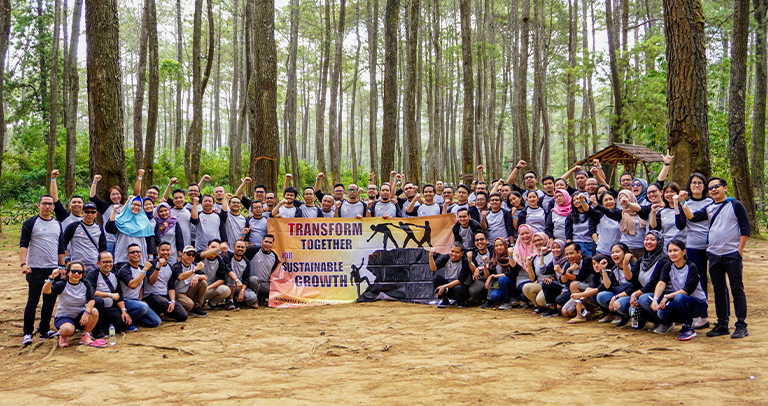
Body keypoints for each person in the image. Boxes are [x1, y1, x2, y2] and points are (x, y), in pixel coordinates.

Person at [680, 177, 750, 339]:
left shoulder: (735, 205)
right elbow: (692, 217)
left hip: (732, 254)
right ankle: (722, 323)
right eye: (711, 187)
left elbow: (745, 228)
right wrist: (683, 202)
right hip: (713, 254)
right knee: (719, 290)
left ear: (725, 188)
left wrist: (739, 250)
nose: (713, 189)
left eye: (717, 186)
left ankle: (741, 324)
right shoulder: (709, 207)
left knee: (736, 288)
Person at [19, 194, 66, 345]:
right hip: (35, 268)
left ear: (53, 206)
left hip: (53, 269)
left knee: (50, 301)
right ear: (38, 205)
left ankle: (44, 330)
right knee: (33, 300)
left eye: (50, 204)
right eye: (44, 203)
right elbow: (23, 244)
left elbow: (60, 247)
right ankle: (27, 333)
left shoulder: (57, 224)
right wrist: (23, 264)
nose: (47, 206)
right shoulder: (30, 223)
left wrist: (62, 267)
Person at [650, 239, 708, 341]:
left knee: (679, 297)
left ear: (684, 252)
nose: (672, 254)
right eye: (670, 251)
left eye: (675, 250)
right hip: (680, 302)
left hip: (698, 304)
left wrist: (666, 297)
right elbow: (661, 283)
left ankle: (688, 327)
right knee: (662, 312)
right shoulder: (668, 266)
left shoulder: (691, 267)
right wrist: (655, 299)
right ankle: (679, 323)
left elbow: (687, 290)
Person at [44, 262, 107, 348]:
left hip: (80, 316)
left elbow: (91, 300)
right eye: (73, 271)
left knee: (94, 311)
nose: (76, 274)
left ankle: (86, 335)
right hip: (64, 316)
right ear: (68, 273)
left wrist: (86, 313)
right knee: (68, 329)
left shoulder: (85, 284)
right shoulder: (62, 284)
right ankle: (63, 336)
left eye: (79, 272)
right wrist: (51, 278)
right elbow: (46, 291)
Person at [680, 172, 713, 310]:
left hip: (712, 246)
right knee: (699, 279)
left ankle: (723, 317)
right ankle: (702, 313)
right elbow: (681, 224)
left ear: (704, 186)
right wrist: (679, 204)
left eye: (700, 183)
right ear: (689, 186)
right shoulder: (685, 203)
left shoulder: (712, 202)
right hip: (693, 245)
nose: (697, 185)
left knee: (718, 279)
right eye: (694, 182)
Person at [628, 231, 670, 333]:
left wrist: (635, 294)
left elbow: (653, 284)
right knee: (630, 308)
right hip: (647, 293)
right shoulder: (642, 260)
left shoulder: (663, 260)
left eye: (652, 239)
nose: (648, 242)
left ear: (659, 242)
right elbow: (632, 279)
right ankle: (656, 321)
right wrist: (625, 263)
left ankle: (666, 322)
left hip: (662, 294)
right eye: (646, 239)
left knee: (643, 299)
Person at [85, 252, 133, 334]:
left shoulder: (114, 275)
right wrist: (109, 295)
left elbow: (119, 295)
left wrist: (123, 311)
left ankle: (103, 326)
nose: (108, 264)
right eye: (105, 262)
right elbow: (91, 292)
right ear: (98, 263)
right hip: (95, 309)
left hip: (110, 308)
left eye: (110, 262)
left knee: (123, 324)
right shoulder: (92, 275)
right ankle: (96, 330)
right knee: (98, 300)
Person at [116, 243, 162, 328]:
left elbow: (143, 285)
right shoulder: (125, 270)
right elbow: (133, 285)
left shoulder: (140, 268)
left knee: (156, 322)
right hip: (125, 301)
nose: (135, 254)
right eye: (132, 252)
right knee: (143, 307)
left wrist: (141, 299)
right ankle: (127, 324)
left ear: (141, 254)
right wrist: (145, 270)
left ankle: (133, 320)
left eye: (138, 252)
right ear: (128, 255)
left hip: (136, 301)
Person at [594, 243, 639, 327]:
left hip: (632, 295)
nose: (614, 254)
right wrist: (603, 269)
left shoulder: (633, 265)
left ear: (626, 253)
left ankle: (626, 315)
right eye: (612, 252)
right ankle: (618, 314)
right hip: (622, 293)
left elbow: (635, 287)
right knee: (601, 296)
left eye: (617, 252)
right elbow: (608, 286)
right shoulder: (615, 268)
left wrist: (615, 297)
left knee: (618, 303)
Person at [143, 242, 191, 321]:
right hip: (152, 296)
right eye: (163, 250)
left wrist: (172, 301)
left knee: (183, 316)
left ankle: (166, 312)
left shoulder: (171, 267)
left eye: (168, 250)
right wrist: (158, 267)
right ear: (158, 252)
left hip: (165, 296)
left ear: (171, 252)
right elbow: (152, 281)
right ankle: (154, 314)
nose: (165, 252)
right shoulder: (151, 264)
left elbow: (171, 287)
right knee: (163, 302)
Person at [105, 196, 157, 268]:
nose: (136, 207)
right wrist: (113, 212)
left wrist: (151, 256)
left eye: (139, 205)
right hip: (122, 256)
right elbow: (110, 229)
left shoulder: (145, 221)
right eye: (134, 204)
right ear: (129, 205)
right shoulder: (120, 219)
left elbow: (150, 239)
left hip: (139, 258)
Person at [63, 201, 107, 273]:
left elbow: (103, 248)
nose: (90, 214)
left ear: (96, 214)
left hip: (94, 263)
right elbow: (63, 243)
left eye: (92, 212)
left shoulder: (99, 228)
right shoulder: (73, 227)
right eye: (87, 212)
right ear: (82, 213)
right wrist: (66, 260)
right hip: (77, 264)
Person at [89, 175, 127, 255]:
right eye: (113, 194)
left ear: (121, 195)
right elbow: (92, 198)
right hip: (109, 242)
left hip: (123, 242)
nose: (116, 196)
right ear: (109, 197)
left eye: (118, 194)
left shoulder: (127, 208)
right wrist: (95, 182)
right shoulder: (106, 207)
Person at [481, 237, 520, 310]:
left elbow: (509, 273)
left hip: (512, 284)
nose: (499, 247)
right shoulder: (494, 258)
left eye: (501, 245)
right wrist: (485, 264)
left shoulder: (511, 256)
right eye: (496, 246)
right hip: (500, 286)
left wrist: (492, 276)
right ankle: (507, 298)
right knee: (494, 296)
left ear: (505, 245)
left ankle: (507, 302)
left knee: (502, 279)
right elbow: (488, 275)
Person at [429, 243, 471, 308]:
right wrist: (431, 256)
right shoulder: (446, 258)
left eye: (457, 252)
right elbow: (433, 268)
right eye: (452, 251)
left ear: (462, 253)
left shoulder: (465, 261)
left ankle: (461, 302)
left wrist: (445, 286)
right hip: (449, 288)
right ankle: (444, 300)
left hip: (461, 288)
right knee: (437, 278)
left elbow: (460, 280)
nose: (454, 254)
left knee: (458, 288)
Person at [171, 245, 209, 317]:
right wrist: (194, 270)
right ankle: (177, 309)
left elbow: (205, 277)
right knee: (189, 304)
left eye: (193, 255)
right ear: (182, 255)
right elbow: (180, 277)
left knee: (203, 282)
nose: (191, 257)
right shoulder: (177, 266)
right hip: (178, 293)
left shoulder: (193, 265)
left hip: (188, 291)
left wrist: (197, 276)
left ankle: (197, 307)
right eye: (188, 254)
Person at [649, 182, 687, 254]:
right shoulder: (661, 211)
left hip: (681, 245)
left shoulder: (684, 209)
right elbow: (654, 229)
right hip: (666, 247)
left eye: (672, 192)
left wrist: (676, 206)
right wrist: (653, 213)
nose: (669, 194)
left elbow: (681, 226)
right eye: (667, 192)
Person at [222, 240, 260, 309]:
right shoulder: (228, 257)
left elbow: (245, 279)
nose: (240, 249)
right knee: (231, 278)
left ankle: (240, 299)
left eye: (242, 247)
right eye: (238, 247)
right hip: (228, 285)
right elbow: (228, 270)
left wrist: (242, 291)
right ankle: (230, 301)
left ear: (245, 249)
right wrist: (237, 280)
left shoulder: (246, 262)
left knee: (252, 297)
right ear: (233, 248)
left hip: (240, 287)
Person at [522, 232, 554, 314]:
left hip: (551, 283)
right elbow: (532, 279)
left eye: (539, 240)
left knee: (540, 299)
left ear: (545, 240)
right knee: (526, 287)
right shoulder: (536, 257)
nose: (537, 243)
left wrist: (552, 278)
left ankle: (553, 306)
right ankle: (539, 306)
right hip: (540, 283)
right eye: (535, 241)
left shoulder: (553, 254)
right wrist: (529, 265)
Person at [245, 235, 281, 308]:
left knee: (278, 291)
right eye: (266, 242)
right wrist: (242, 236)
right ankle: (255, 300)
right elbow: (240, 250)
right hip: (254, 283)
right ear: (262, 242)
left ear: (273, 245)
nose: (267, 244)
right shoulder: (253, 250)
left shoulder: (274, 256)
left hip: (266, 284)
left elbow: (273, 270)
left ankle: (263, 297)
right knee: (253, 279)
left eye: (270, 243)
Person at [196, 240, 232, 309]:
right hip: (196, 289)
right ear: (207, 248)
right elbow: (203, 255)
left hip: (209, 289)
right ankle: (197, 303)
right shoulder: (201, 255)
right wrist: (218, 248)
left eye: (217, 249)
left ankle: (213, 303)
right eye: (212, 247)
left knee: (226, 290)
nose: (214, 250)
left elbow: (221, 280)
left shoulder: (219, 260)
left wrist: (208, 288)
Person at [586, 192, 621, 256]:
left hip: (618, 252)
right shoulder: (599, 214)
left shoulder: (620, 213)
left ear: (615, 200)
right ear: (602, 203)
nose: (609, 202)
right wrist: (582, 201)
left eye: (610, 199)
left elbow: (610, 213)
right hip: (602, 251)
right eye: (606, 200)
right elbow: (588, 210)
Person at [539, 239, 567, 317]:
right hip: (560, 286)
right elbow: (543, 272)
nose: (555, 250)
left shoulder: (567, 260)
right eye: (553, 248)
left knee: (560, 300)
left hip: (568, 288)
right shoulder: (555, 260)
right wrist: (542, 255)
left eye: (558, 247)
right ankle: (552, 309)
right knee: (545, 282)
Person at [467, 231, 493, 304]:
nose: (479, 242)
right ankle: (481, 298)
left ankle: (489, 300)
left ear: (487, 241)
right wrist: (469, 261)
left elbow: (492, 263)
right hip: (481, 278)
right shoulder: (474, 254)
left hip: (492, 276)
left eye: (482, 239)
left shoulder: (492, 250)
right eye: (477, 240)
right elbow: (474, 271)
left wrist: (479, 268)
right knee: (472, 291)